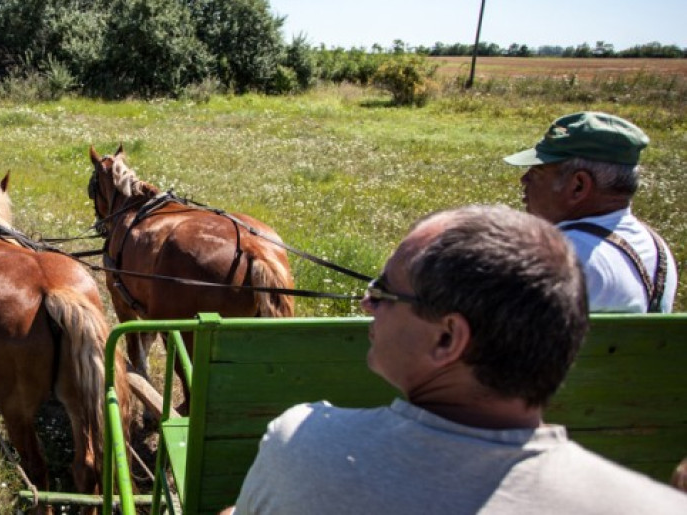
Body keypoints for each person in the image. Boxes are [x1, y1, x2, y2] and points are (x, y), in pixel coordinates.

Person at [231, 205, 687, 514]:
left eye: (384, 292)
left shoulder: (300, 446)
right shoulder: (654, 505)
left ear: (447, 339)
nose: (368, 304)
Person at [504, 111, 677, 312]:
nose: (524, 179)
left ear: (578, 186)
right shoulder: (657, 248)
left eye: (537, 172)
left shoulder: (563, 259)